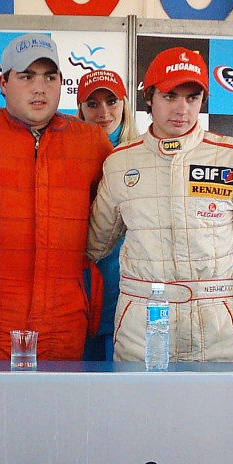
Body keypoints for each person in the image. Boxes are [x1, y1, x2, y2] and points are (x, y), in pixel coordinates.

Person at [86, 47, 233, 362]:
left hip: (214, 330)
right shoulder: (120, 162)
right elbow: (92, 244)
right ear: (149, 97)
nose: (182, 109)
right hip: (140, 329)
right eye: (170, 96)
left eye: (192, 97)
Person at [0, 33, 113, 360]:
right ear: (2, 82)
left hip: (64, 319)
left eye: (50, 78)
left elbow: (115, 210)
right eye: (26, 77)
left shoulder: (91, 141)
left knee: (62, 395)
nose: (40, 88)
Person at [76, 69, 139, 361]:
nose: (103, 112)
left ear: (124, 103)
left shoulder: (144, 154)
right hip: (79, 282)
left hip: (128, 284)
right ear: (80, 109)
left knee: (123, 379)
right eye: (93, 104)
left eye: (111, 101)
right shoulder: (66, 154)